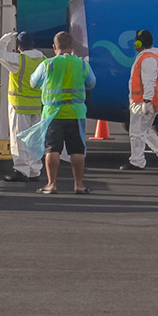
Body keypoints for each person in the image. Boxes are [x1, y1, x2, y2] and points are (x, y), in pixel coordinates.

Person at [29, 30, 96, 194]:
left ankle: (51, 184)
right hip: (76, 113)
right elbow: (91, 83)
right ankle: (79, 185)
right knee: (77, 150)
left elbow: (33, 83)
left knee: (52, 149)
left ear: (54, 47)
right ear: (72, 46)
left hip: (53, 113)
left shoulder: (48, 64)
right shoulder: (82, 64)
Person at [0, 29, 47, 182]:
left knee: (19, 139)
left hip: (20, 107)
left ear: (19, 47)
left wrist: (5, 38)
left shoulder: (19, 60)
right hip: (38, 106)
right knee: (35, 140)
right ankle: (35, 171)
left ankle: (22, 170)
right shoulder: (43, 60)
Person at [120, 29, 158, 170]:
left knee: (136, 133)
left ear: (140, 43)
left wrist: (147, 101)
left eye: (136, 41)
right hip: (142, 101)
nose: (134, 44)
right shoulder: (146, 57)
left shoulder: (148, 59)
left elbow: (149, 82)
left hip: (143, 102)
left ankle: (137, 161)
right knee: (145, 131)